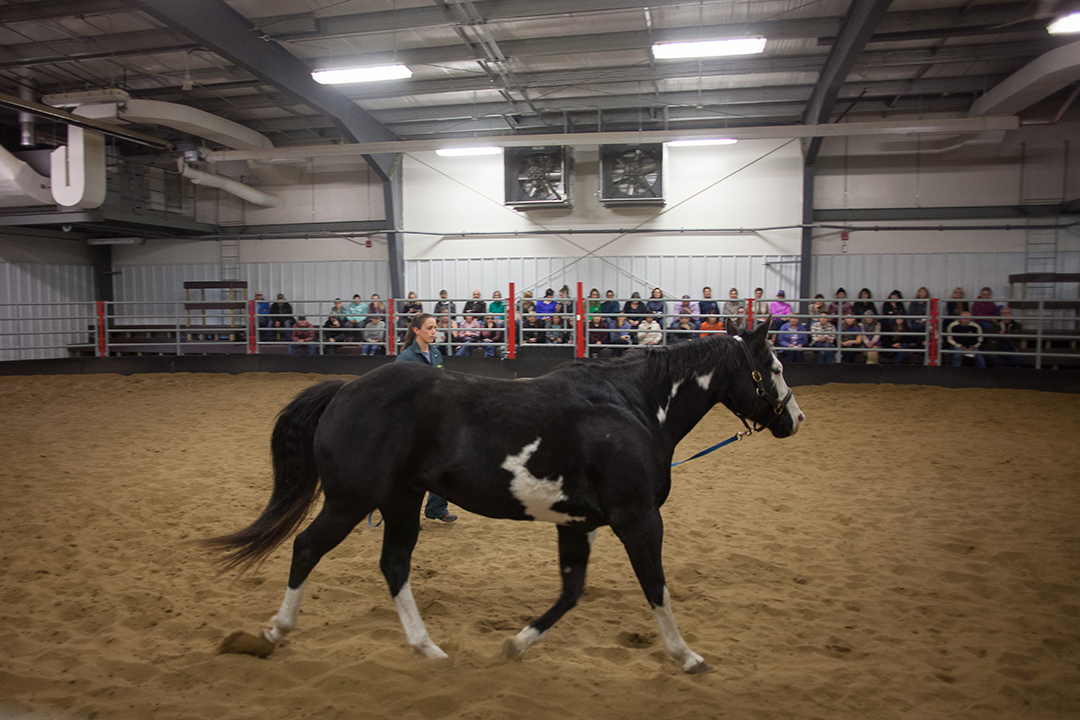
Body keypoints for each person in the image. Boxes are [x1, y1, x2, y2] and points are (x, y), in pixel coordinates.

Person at [394, 313, 456, 523]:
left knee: (443, 463)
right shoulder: (405, 358)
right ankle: (404, 514)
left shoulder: (436, 354)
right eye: (429, 328)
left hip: (434, 420)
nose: (433, 332)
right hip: (412, 423)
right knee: (410, 471)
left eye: (434, 328)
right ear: (416, 330)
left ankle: (436, 508)